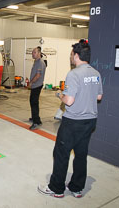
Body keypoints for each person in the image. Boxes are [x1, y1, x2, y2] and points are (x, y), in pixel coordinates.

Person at [38, 39, 103, 198]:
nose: (70, 57)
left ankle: (56, 188)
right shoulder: (96, 73)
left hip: (73, 122)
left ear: (76, 56)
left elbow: (69, 100)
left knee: (61, 153)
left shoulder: (74, 74)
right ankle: (76, 187)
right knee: (81, 154)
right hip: (90, 121)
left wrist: (60, 94)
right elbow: (99, 97)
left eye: (71, 54)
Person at [29, 47, 46, 130]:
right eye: (32, 52)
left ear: (39, 53)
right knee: (33, 102)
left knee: (34, 102)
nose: (33, 54)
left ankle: (36, 122)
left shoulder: (40, 63)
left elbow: (38, 75)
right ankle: (35, 118)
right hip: (35, 85)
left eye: (34, 52)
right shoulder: (36, 62)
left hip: (37, 85)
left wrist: (31, 82)